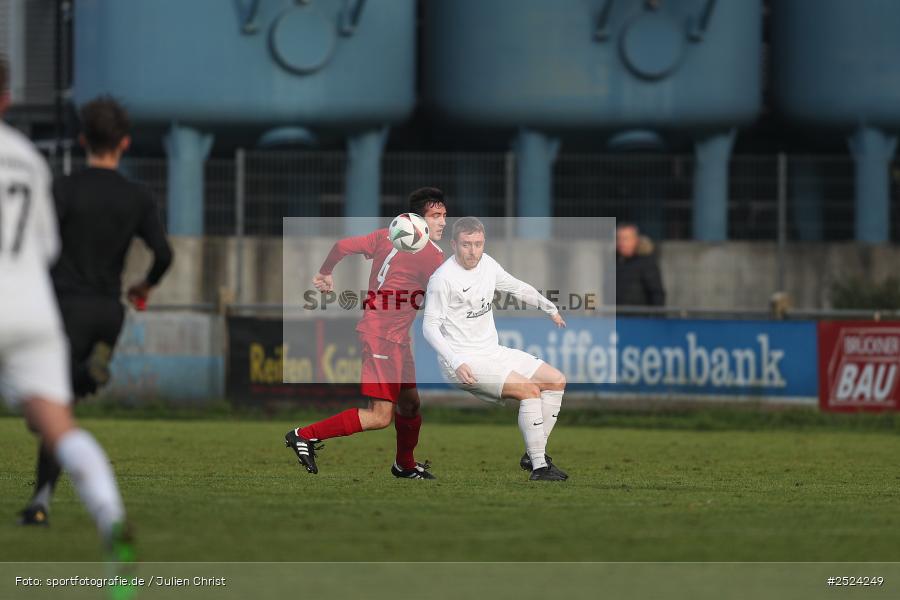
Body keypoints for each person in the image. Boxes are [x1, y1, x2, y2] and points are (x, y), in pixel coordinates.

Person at [0, 56, 134, 562]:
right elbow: (45, 247)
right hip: (32, 309)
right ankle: (112, 522)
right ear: (7, 100)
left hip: (53, 300)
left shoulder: (63, 180)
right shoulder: (29, 160)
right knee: (59, 423)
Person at [19, 95, 173, 525]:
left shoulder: (64, 188)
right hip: (109, 312)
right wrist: (144, 285)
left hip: (63, 310)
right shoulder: (137, 196)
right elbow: (163, 253)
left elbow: (40, 244)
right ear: (124, 143)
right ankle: (92, 372)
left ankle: (40, 504)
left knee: (51, 409)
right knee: (67, 397)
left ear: (83, 138)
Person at [285, 188, 447, 479]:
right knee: (379, 416)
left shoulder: (384, 235)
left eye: (444, 216)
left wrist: (325, 272)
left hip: (395, 336)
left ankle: (404, 466)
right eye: (436, 216)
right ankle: (304, 435)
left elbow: (342, 246)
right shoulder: (432, 256)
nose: (443, 222)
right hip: (382, 335)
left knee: (410, 405)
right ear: (418, 221)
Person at [422, 217, 569, 481]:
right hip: (463, 361)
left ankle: (534, 453)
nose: (473, 251)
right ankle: (539, 467)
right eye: (466, 244)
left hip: (492, 352)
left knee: (556, 380)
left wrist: (550, 307)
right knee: (530, 391)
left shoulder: (487, 264)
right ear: (454, 244)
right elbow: (429, 328)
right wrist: (455, 361)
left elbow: (516, 287)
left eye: (478, 244)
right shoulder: (442, 279)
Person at [615, 222, 665, 307]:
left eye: (625, 239)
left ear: (636, 240)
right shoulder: (615, 262)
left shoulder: (647, 263)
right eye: (619, 239)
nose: (621, 243)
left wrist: (656, 318)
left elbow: (657, 294)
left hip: (639, 318)